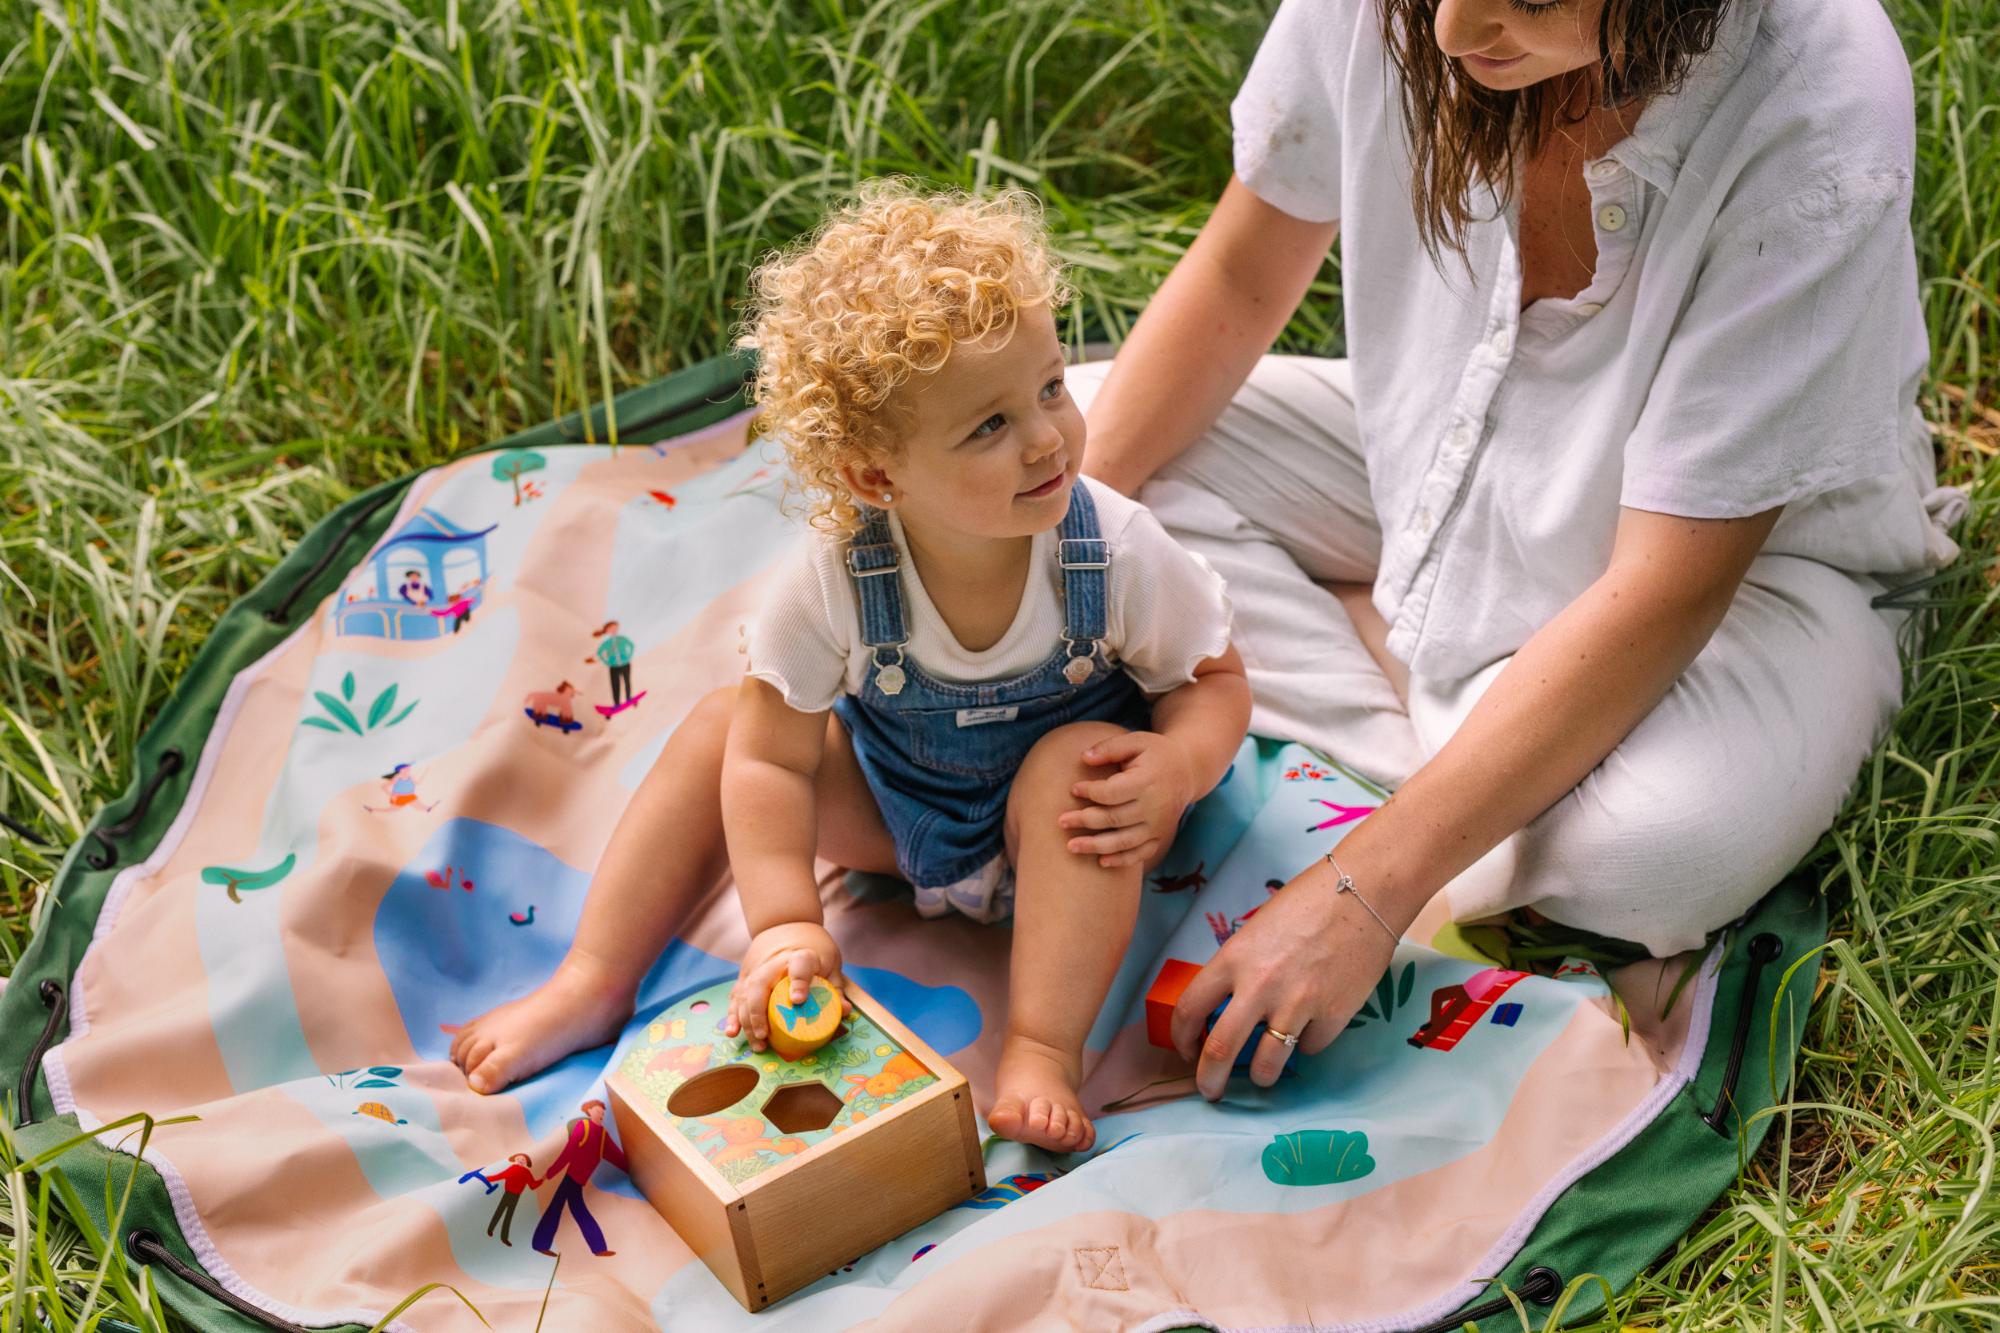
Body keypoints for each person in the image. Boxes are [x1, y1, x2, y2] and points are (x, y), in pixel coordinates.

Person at [1072, 0, 1965, 1099]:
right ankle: (1467, 723)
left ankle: (1429, 712)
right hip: (1435, 452)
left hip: (1742, 573)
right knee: (1066, 454)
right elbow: (1242, 275)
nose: (1450, 32)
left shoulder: (1816, 96)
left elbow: (1669, 586)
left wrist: (1362, 890)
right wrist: (1041, 574)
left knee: (1643, 855)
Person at [451, 183, 1250, 1153]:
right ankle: (593, 977)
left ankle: (1042, 1048)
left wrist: (1177, 767)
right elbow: (772, 762)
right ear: (877, 477)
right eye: (988, 426)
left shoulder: (1112, 551)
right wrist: (786, 921)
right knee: (724, 728)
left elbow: (1213, 680)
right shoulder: (834, 578)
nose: (1046, 437)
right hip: (896, 816)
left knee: (1074, 763)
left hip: (1069, 837)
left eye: (1050, 387)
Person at [531, 1100, 624, 1258]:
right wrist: (551, 1172)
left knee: (564, 1208)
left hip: (580, 1179)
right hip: (572, 1176)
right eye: (598, 1111)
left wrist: (633, 1167)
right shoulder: (583, 1127)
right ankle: (598, 1248)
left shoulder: (603, 1134)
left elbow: (615, 1155)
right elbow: (568, 1152)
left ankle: (541, 1244)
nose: (601, 1114)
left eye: (603, 1113)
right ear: (589, 1111)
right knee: (572, 1209)